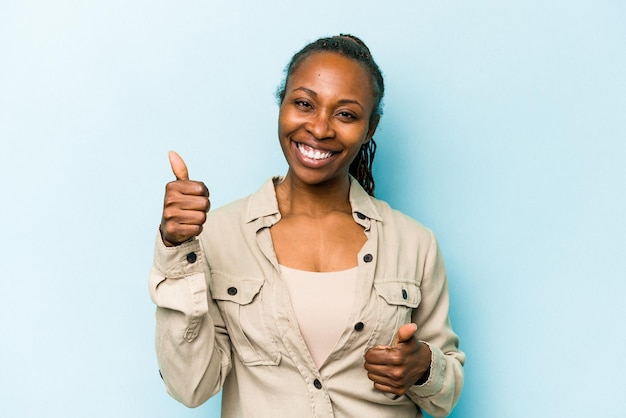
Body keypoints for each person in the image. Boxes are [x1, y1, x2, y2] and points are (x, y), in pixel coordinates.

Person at [149, 34, 464, 418]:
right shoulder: (217, 235)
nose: (319, 128)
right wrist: (175, 248)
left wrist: (423, 367)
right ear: (281, 105)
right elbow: (191, 387)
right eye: (303, 104)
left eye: (345, 114)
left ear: (370, 128)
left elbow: (446, 395)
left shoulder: (415, 244)